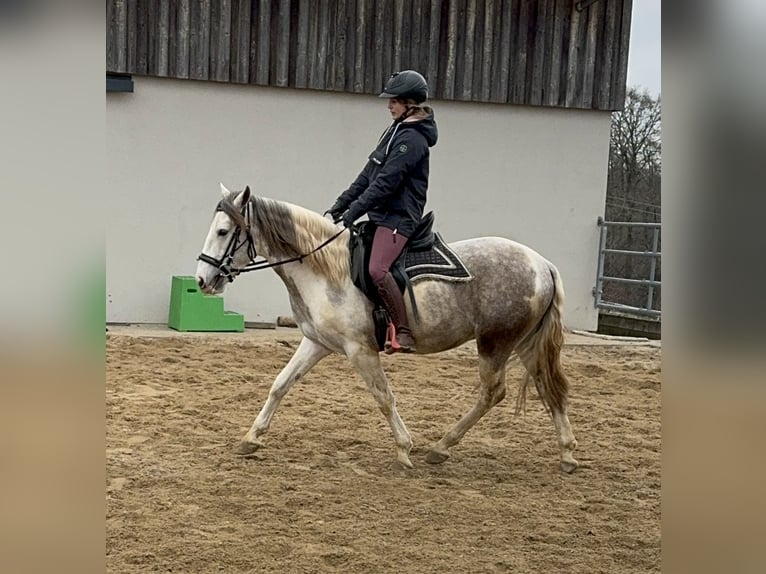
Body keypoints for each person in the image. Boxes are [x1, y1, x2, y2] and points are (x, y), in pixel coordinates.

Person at [326, 70, 438, 353]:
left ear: (410, 104)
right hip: (382, 215)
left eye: (395, 101)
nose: (389, 106)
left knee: (377, 270)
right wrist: (340, 205)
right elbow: (368, 176)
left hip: (400, 217)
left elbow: (386, 184)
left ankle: (403, 332)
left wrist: (354, 212)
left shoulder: (412, 141)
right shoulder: (395, 132)